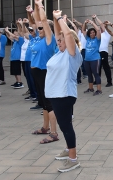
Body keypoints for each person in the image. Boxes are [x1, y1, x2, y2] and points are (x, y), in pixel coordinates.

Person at [46, 11, 82, 172]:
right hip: (56, 95)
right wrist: (54, 17)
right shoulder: (60, 53)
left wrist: (61, 19)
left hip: (64, 95)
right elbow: (58, 33)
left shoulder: (72, 54)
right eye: (58, 41)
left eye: (61, 41)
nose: (58, 42)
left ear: (70, 42)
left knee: (66, 126)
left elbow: (66, 34)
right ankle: (68, 150)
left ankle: (73, 159)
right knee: (64, 124)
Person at [29, 0, 58, 144]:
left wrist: (41, 6)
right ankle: (45, 128)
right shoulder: (39, 39)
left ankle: (54, 133)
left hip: (44, 74)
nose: (38, 29)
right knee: (43, 104)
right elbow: (36, 22)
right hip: (37, 75)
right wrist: (34, 7)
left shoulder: (49, 39)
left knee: (49, 104)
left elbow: (44, 21)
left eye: (41, 28)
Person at [82, 17, 102, 95]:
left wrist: (91, 22)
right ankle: (91, 88)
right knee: (89, 74)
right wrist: (85, 23)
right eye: (91, 33)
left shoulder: (97, 39)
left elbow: (98, 30)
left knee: (96, 74)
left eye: (93, 32)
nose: (92, 34)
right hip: (87, 59)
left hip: (95, 59)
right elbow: (83, 30)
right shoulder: (88, 39)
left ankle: (99, 90)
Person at [94, 15, 112, 87]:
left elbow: (101, 25)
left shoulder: (106, 34)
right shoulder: (99, 34)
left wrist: (96, 17)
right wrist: (93, 20)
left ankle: (109, 82)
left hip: (103, 52)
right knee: (98, 67)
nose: (101, 28)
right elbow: (97, 27)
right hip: (98, 52)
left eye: (102, 26)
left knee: (105, 67)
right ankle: (97, 80)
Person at [4, 24, 25, 89]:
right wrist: (6, 32)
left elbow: (13, 36)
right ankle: (17, 81)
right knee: (14, 71)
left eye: (16, 32)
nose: (14, 34)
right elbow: (10, 37)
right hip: (13, 58)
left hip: (17, 58)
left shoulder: (21, 39)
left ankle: (20, 82)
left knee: (17, 70)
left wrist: (8, 31)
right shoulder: (15, 41)